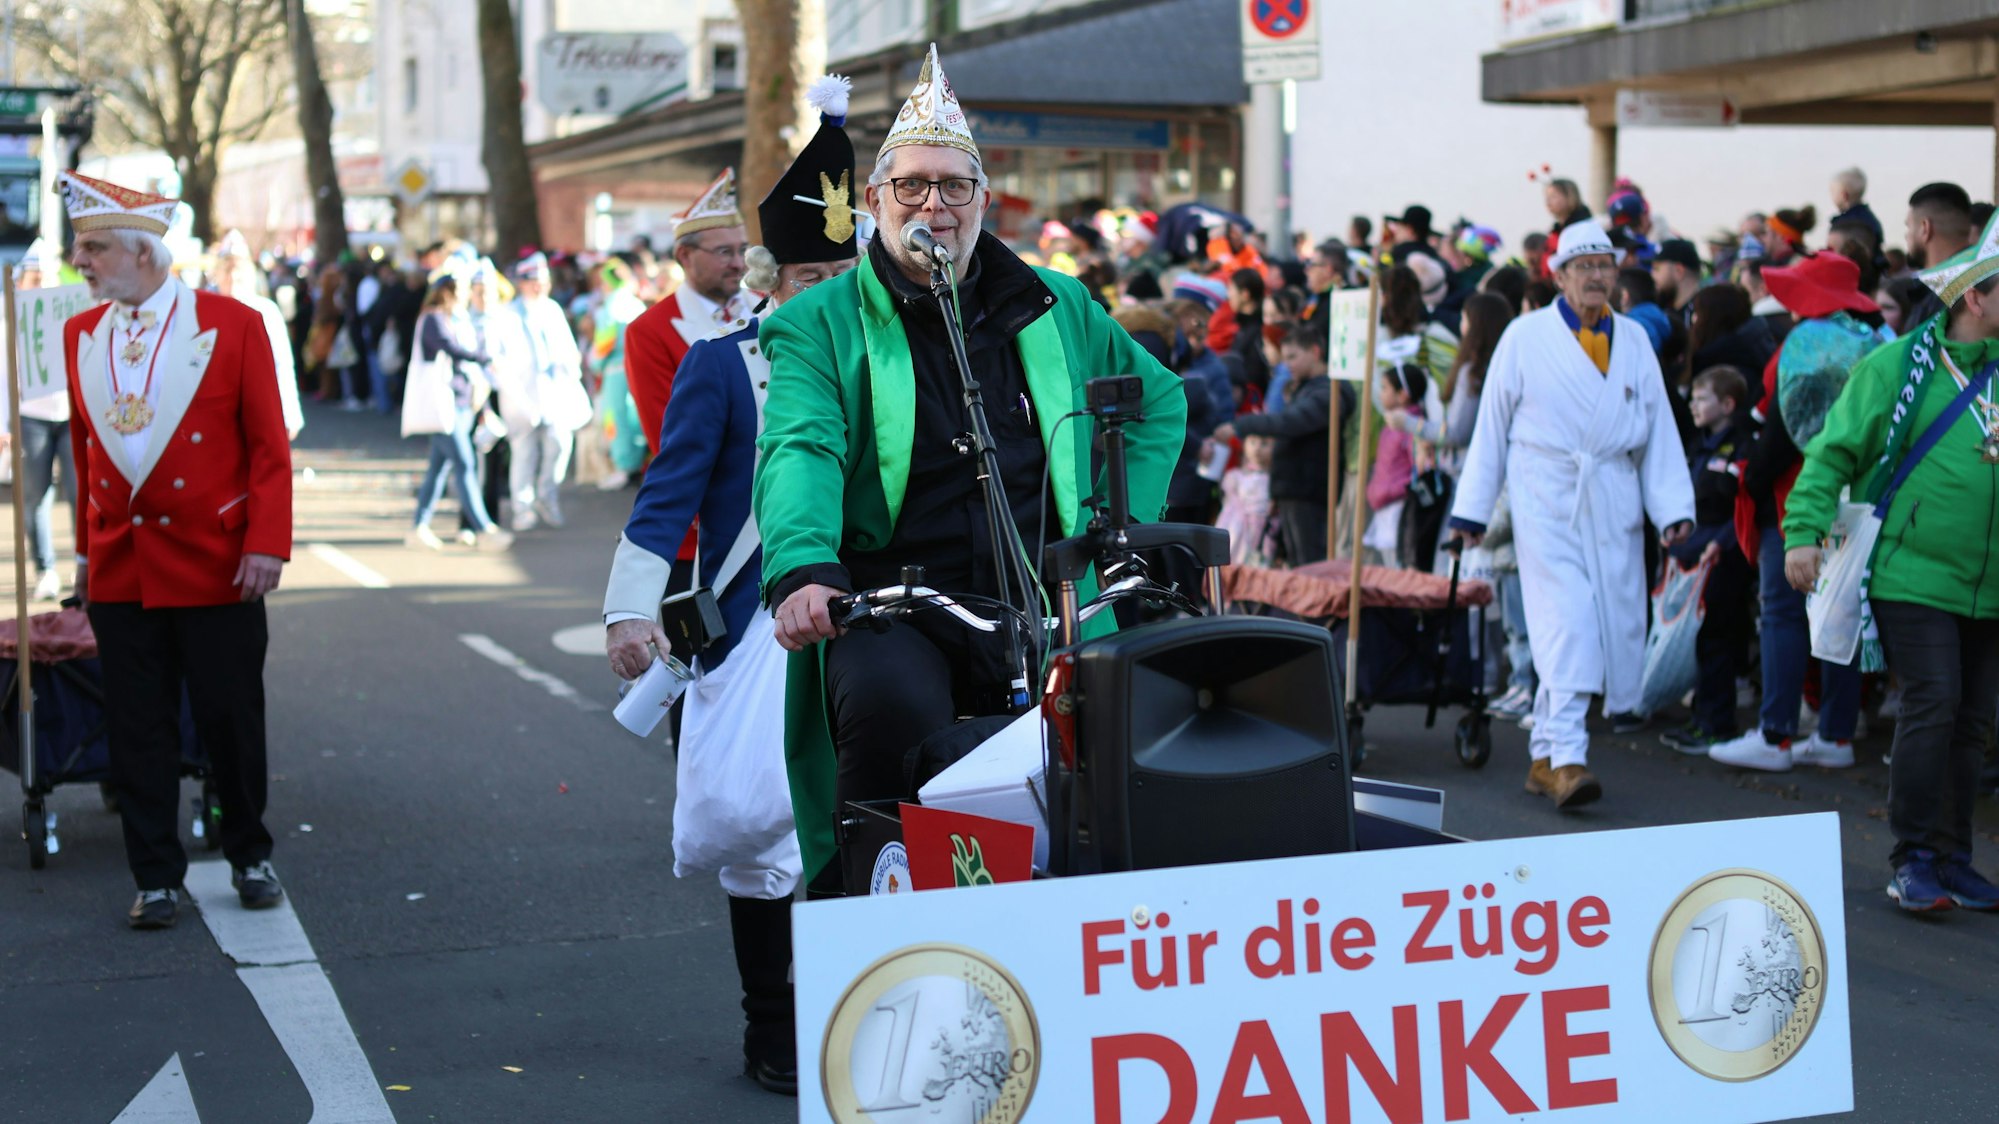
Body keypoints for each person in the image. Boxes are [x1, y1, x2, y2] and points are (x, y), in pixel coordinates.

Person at [752, 43, 1185, 890]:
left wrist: (1109, 524)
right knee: (891, 717)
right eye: (910, 186)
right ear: (872, 201)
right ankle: (869, 929)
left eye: (954, 187)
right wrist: (803, 566)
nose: (934, 206)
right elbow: (799, 446)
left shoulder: (1056, 300)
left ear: (984, 199)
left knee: (1110, 755)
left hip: (1044, 589)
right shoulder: (819, 322)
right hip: (893, 599)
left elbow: (1156, 401)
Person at [602, 75, 862, 1095]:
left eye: (845, 271)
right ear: (773, 279)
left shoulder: (905, 364)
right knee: (763, 831)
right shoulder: (718, 366)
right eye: (809, 274)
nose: (829, 292)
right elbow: (666, 497)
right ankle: (771, 1022)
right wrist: (630, 605)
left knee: (861, 824)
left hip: (872, 621)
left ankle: (852, 1007)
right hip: (756, 624)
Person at [57, 171, 292, 930]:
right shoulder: (78, 333)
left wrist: (266, 543)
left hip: (218, 561)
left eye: (93, 247)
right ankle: (155, 875)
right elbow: (85, 450)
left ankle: (249, 854)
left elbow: (267, 449)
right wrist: (86, 557)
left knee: (229, 719)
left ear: (145, 252)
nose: (81, 262)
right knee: (138, 726)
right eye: (80, 248)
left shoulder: (234, 323)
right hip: (123, 564)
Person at [1780, 213, 1999, 914]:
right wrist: (1801, 532)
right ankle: (1911, 858)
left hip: (1989, 584)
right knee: (1934, 703)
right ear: (1974, 297)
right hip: (1912, 572)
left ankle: (1952, 857)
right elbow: (1832, 452)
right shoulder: (1894, 365)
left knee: (1972, 720)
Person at [1447, 217, 1695, 809]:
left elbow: (1658, 426)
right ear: (1558, 275)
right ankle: (1567, 758)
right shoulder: (1525, 336)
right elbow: (1492, 427)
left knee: (1606, 627)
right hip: (1546, 493)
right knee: (1569, 625)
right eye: (1583, 267)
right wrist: (1471, 511)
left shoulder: (1634, 339)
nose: (1596, 277)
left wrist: (1672, 508)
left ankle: (1543, 758)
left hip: (1613, 495)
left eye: (1605, 266)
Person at [621, 169, 753, 549]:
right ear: (684, 256)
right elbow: (668, 438)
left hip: (776, 522)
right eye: (724, 252)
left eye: (742, 249)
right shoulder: (649, 330)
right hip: (699, 531)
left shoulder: (766, 309)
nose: (738, 263)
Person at [1656, 366, 1755, 754]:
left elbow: (1741, 506)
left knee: (1718, 641)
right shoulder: (1699, 444)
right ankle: (1700, 718)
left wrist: (1724, 543)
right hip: (1691, 556)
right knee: (1697, 641)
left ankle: (1718, 723)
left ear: (1728, 404)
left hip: (1722, 557)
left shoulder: (1743, 446)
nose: (1694, 405)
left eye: (1702, 399)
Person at [1214, 325, 1350, 566]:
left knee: (1310, 566)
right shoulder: (1308, 389)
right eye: (1284, 357)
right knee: (1298, 564)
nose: (1287, 365)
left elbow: (1291, 422)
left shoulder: (1329, 392)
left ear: (1315, 352)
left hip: (1309, 491)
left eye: (1293, 356)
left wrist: (1242, 426)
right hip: (1294, 489)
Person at [404, 276, 511, 550]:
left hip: (458, 406)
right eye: (463, 290)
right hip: (443, 409)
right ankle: (484, 528)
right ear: (448, 292)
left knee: (438, 470)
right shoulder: (433, 318)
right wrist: (484, 357)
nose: (467, 296)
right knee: (465, 465)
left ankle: (419, 526)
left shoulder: (454, 318)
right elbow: (451, 348)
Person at [488, 253, 587, 531]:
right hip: (522, 395)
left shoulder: (553, 309)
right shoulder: (507, 314)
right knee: (524, 453)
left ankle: (547, 495)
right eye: (534, 281)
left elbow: (569, 349)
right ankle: (523, 507)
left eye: (543, 281)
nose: (540, 286)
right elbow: (501, 358)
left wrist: (571, 371)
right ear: (522, 283)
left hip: (554, 393)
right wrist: (514, 391)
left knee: (559, 445)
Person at [7, 240, 75, 601]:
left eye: (45, 277)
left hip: (70, 415)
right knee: (35, 497)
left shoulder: (70, 311)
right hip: (31, 417)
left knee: (81, 493)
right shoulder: (10, 315)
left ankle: (86, 565)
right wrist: (5, 424)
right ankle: (45, 569)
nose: (39, 284)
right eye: (33, 277)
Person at [210, 231, 304, 441]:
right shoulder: (205, 309)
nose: (233, 277)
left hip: (257, 404)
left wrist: (290, 414)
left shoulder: (265, 311)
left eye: (237, 269)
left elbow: (282, 363)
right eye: (227, 269)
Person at [1901, 182, 1975, 327]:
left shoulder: (1941, 297)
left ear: (1925, 228)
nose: (1906, 236)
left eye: (1908, 226)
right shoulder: (1984, 287)